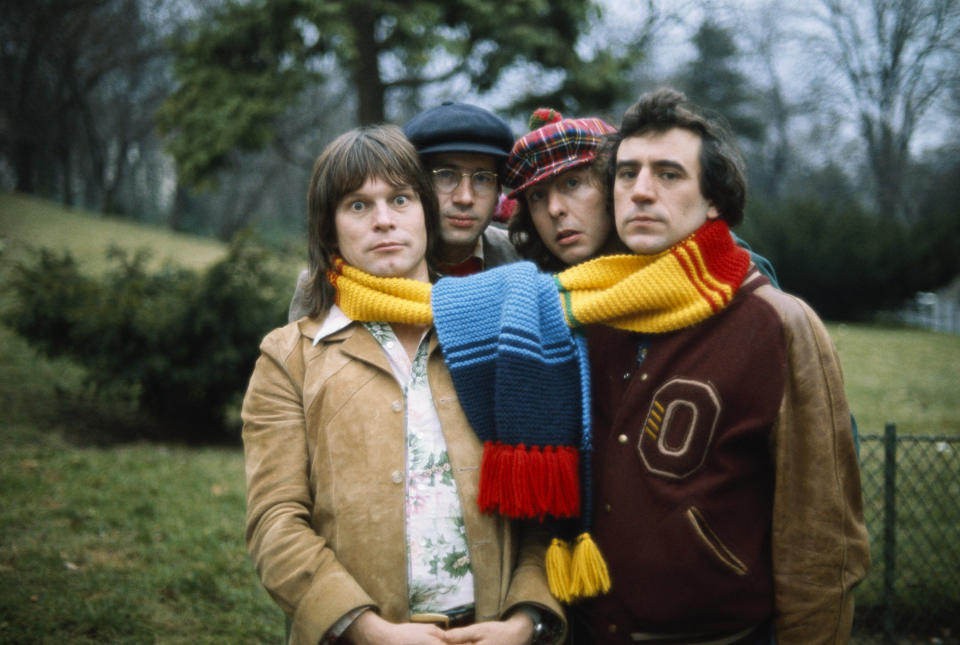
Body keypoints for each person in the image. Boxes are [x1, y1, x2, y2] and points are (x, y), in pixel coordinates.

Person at [242, 124, 564, 645]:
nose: (384, 221)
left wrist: (526, 620)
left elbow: (544, 501)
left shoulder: (497, 331)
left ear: (426, 215)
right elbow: (275, 521)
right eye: (357, 206)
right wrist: (366, 630)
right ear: (330, 231)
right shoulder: (289, 357)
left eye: (399, 198)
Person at [568, 89, 870, 643]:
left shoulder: (777, 323)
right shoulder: (592, 310)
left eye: (668, 174)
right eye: (627, 173)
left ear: (714, 201)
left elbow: (822, 541)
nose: (640, 191)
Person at [288, 102, 518, 321]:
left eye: (483, 179)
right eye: (446, 175)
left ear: (498, 190)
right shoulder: (330, 282)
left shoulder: (523, 257)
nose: (464, 198)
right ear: (417, 183)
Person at [505, 108, 779, 284]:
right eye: (537, 196)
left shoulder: (722, 267)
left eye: (573, 183)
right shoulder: (541, 296)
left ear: (615, 183)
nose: (555, 209)